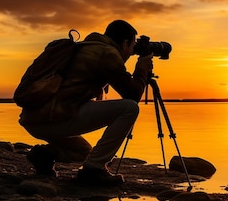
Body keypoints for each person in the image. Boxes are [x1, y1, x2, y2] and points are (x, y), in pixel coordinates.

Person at [19, 19, 153, 186]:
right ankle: (93, 171)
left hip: (35, 120)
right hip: (53, 117)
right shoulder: (107, 53)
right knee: (129, 108)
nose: (131, 52)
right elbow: (132, 95)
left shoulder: (86, 47)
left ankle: (45, 156)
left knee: (86, 154)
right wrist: (142, 68)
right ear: (125, 43)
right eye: (132, 47)